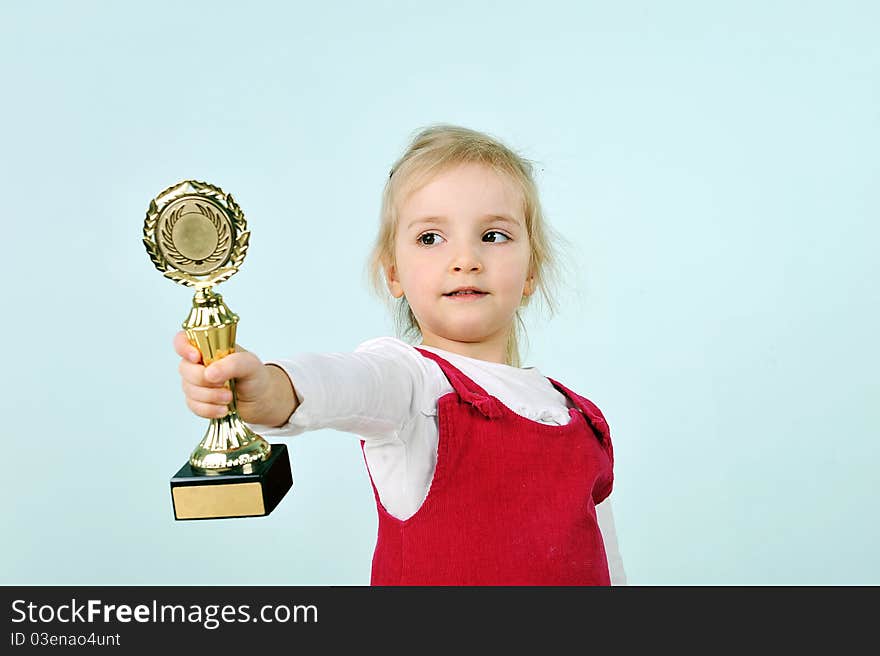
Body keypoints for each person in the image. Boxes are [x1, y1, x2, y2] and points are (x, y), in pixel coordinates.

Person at [174, 124, 626, 585]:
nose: (465, 258)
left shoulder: (582, 420)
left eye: (493, 235)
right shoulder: (411, 386)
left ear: (531, 272)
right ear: (394, 273)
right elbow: (346, 384)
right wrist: (269, 389)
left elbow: (608, 567)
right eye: (431, 238)